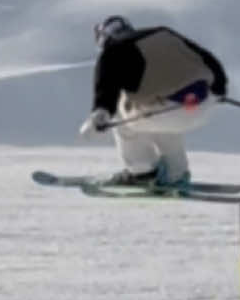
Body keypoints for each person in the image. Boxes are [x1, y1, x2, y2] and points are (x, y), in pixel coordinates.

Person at [80, 15, 228, 188]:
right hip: (201, 105)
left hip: (164, 111)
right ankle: (176, 173)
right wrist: (219, 89)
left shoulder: (111, 51)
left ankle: (141, 171)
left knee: (128, 113)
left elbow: (106, 90)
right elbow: (209, 60)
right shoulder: (163, 32)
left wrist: (100, 117)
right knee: (161, 112)